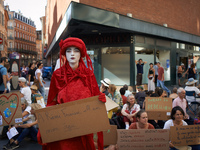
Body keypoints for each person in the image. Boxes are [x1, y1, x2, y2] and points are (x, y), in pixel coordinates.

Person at [37, 37, 106, 150]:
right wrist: (45, 126)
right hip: (65, 129)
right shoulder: (57, 75)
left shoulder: (89, 75)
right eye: (68, 51)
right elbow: (51, 103)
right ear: (64, 54)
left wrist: (100, 99)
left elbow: (95, 101)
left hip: (85, 126)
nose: (72, 54)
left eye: (76, 50)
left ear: (81, 54)